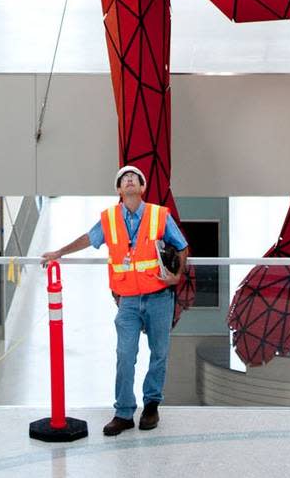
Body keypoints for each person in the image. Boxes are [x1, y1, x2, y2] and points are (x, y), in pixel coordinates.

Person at [43, 164, 187, 436]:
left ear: (142, 188)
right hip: (128, 301)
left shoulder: (158, 215)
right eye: (124, 179)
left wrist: (176, 277)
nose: (130, 181)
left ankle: (151, 405)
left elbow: (181, 245)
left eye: (135, 178)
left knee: (159, 354)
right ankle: (123, 412)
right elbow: (89, 238)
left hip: (159, 297)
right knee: (125, 355)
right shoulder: (110, 219)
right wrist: (59, 253)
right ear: (119, 190)